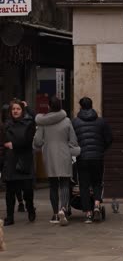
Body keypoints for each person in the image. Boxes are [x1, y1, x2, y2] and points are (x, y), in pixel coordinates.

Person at [33, 96, 80, 226]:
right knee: (65, 183)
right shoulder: (66, 121)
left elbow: (37, 141)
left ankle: (54, 214)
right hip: (64, 154)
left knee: (53, 185)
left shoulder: (42, 122)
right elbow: (73, 140)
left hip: (49, 155)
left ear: (49, 106)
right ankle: (63, 209)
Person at [72, 97, 112, 224]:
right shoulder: (101, 122)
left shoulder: (75, 122)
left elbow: (72, 140)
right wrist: (101, 149)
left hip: (82, 158)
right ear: (92, 105)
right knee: (97, 182)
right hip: (97, 158)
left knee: (83, 185)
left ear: (80, 107)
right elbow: (109, 138)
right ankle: (96, 205)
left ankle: (88, 214)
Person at [1, 99, 36, 226]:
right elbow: (3, 143)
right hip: (10, 160)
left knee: (27, 190)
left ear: (22, 110)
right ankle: (10, 217)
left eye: (18, 109)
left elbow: (28, 141)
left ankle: (30, 208)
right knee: (10, 191)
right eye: (13, 109)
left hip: (24, 160)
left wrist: (13, 144)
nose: (15, 111)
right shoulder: (6, 124)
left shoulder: (29, 123)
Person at [1, 104, 25, 213]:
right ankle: (20, 202)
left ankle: (19, 203)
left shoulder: (4, 124)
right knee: (15, 182)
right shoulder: (8, 125)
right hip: (9, 157)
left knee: (11, 182)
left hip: (6, 157)